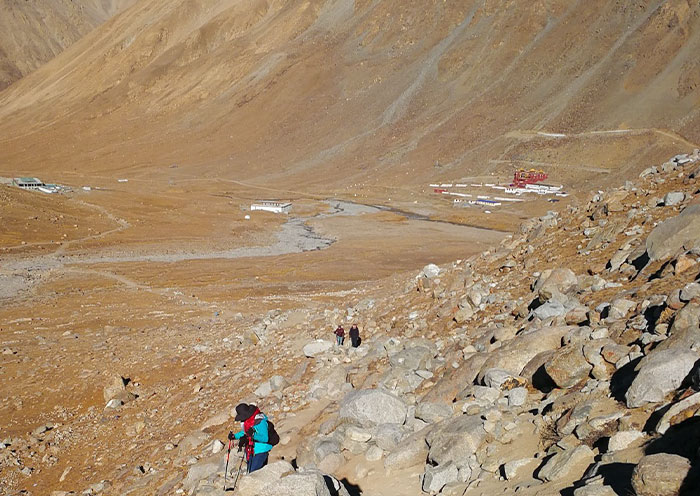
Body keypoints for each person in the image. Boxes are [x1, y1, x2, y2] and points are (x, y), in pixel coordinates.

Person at [228, 403, 272, 474]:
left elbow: (265, 438)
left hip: (260, 451)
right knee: (251, 473)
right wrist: (234, 436)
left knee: (253, 473)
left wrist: (252, 435)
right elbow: (244, 432)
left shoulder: (260, 421)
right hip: (250, 450)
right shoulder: (247, 421)